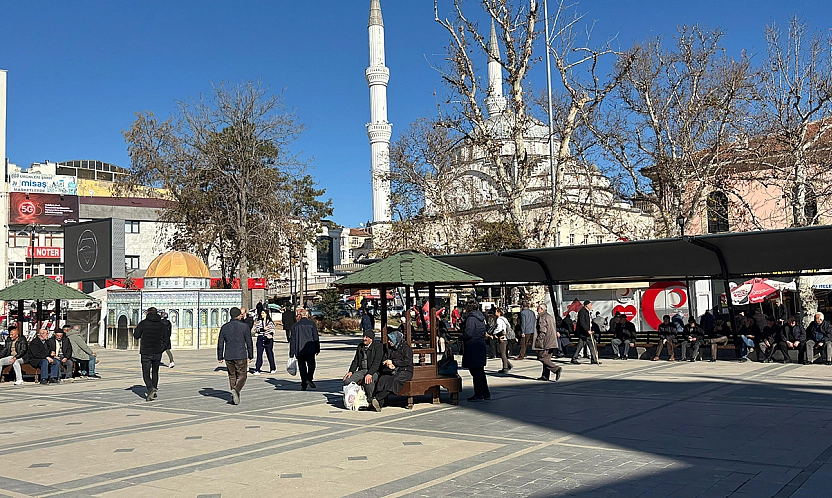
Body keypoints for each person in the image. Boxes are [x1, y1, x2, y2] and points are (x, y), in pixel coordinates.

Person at [217, 307, 253, 405]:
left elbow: (220, 343)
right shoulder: (244, 326)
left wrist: (220, 356)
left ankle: (234, 397)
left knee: (232, 376)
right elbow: (249, 342)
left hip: (228, 355)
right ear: (238, 315)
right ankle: (236, 390)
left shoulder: (224, 327)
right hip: (240, 354)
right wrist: (250, 355)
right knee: (242, 375)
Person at [371, 329, 414, 411]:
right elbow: (385, 359)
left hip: (405, 370)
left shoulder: (406, 348)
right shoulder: (390, 349)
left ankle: (377, 398)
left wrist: (394, 362)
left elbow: (407, 361)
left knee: (394, 380)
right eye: (389, 340)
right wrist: (388, 364)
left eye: (391, 340)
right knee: (383, 379)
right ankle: (379, 403)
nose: (390, 342)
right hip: (392, 370)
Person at [133, 307, 170, 401]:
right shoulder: (162, 324)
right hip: (157, 351)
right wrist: (162, 348)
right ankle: (154, 389)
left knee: (146, 372)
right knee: (155, 372)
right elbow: (166, 339)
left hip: (146, 351)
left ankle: (150, 389)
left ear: (148, 313)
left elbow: (136, 336)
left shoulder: (143, 323)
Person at [343, 328, 383, 404]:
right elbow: (356, 360)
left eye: (366, 337)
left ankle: (371, 400)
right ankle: (352, 398)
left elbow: (377, 362)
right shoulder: (360, 346)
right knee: (347, 380)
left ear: (371, 339)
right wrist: (351, 371)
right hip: (362, 370)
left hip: (373, 371)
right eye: (364, 336)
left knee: (368, 381)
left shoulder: (378, 347)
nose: (364, 339)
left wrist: (370, 373)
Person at [461, 299, 490, 401]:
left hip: (473, 346)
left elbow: (468, 333)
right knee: (480, 371)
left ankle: (479, 393)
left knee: (475, 372)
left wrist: (461, 336)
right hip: (480, 345)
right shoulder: (481, 317)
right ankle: (485, 392)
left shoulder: (471, 318)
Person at [289, 308, 321, 390]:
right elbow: (315, 337)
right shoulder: (312, 324)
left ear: (300, 316)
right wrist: (317, 348)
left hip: (299, 350)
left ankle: (304, 383)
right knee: (312, 365)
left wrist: (291, 353)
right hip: (310, 349)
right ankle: (309, 378)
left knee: (302, 367)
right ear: (307, 315)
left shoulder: (294, 326)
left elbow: (292, 340)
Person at [532, 303, 562, 382]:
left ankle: (556, 369)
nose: (537, 309)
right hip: (552, 341)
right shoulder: (550, 316)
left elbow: (543, 330)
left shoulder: (542, 317)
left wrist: (539, 339)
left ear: (541, 309)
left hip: (545, 342)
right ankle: (545, 376)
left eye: (538, 308)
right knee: (547, 358)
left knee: (542, 358)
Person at [252, 310, 277, 375]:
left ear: (266, 314)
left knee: (270, 354)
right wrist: (262, 329)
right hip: (260, 339)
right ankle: (257, 369)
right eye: (261, 313)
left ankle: (272, 368)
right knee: (259, 354)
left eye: (263, 313)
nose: (262, 314)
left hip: (268, 340)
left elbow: (272, 330)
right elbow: (256, 330)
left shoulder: (270, 322)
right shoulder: (259, 322)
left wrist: (271, 335)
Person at [494, 308, 513, 374]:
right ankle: (508, 365)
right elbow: (509, 326)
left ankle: (505, 368)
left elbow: (499, 328)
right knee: (503, 352)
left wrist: (494, 332)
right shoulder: (504, 319)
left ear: (498, 312)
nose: (495, 313)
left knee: (502, 353)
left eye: (496, 311)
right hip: (506, 337)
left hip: (502, 337)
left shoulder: (499, 319)